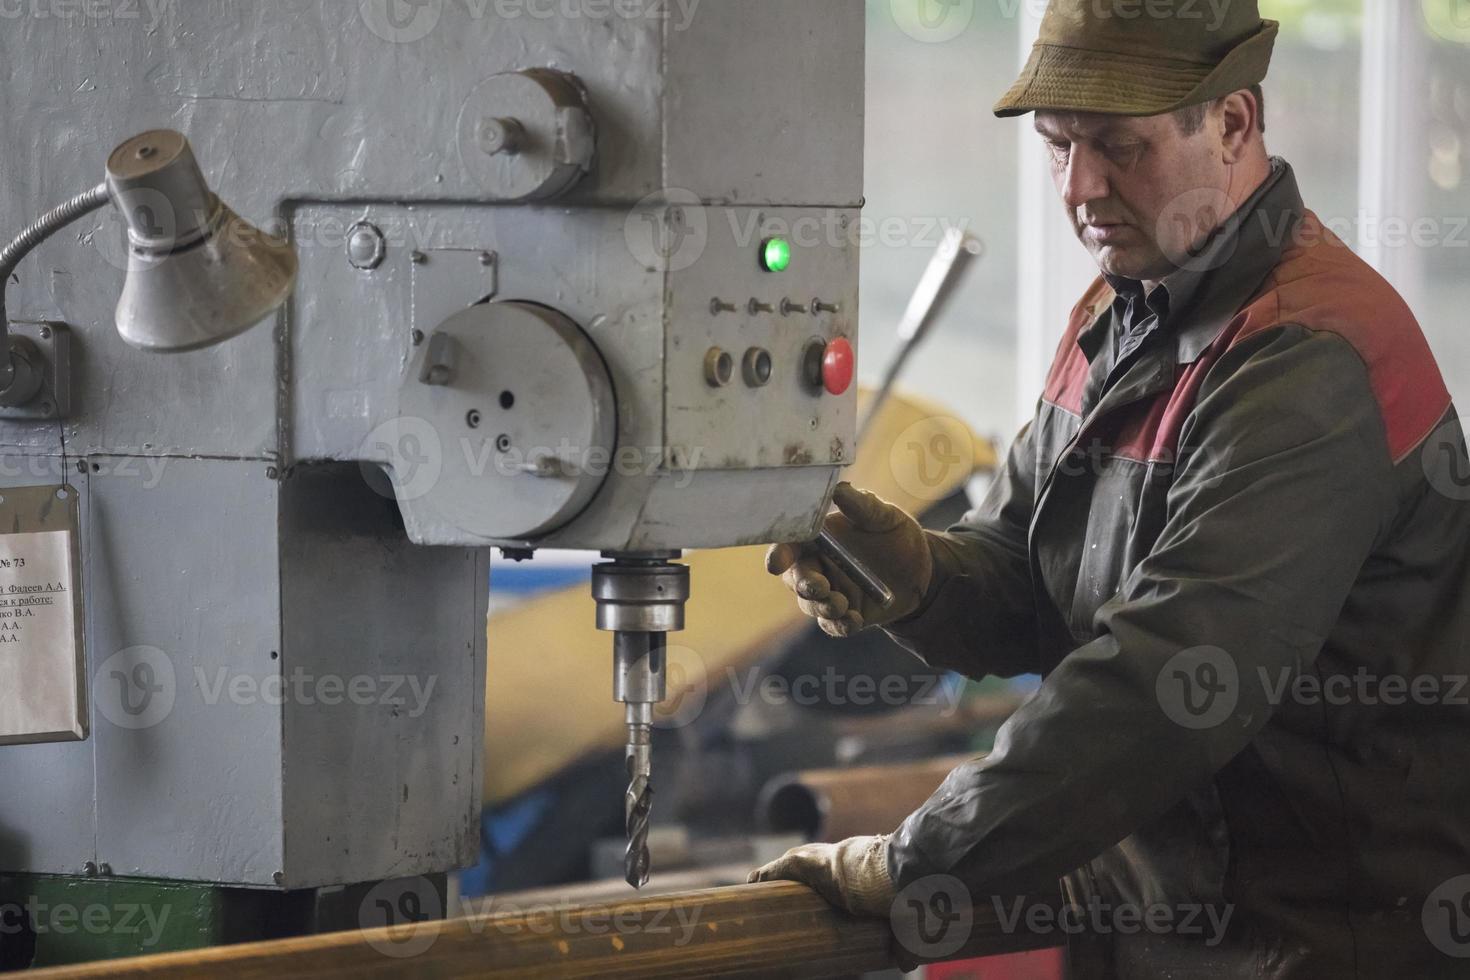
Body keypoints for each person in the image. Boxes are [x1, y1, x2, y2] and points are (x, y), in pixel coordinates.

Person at [750, 2, 1470, 977]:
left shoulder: (1309, 358)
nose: (1080, 187)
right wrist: (920, 576)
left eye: (1118, 147)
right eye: (1058, 147)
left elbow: (1167, 681)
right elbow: (1028, 572)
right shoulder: (1122, 306)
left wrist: (922, 855)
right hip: (1157, 924)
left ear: (1234, 124)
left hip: (1317, 938)